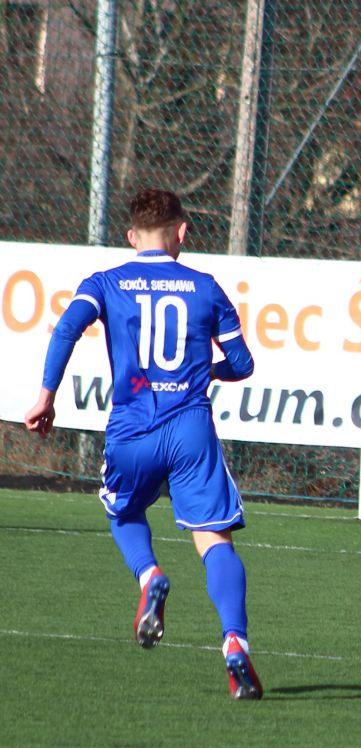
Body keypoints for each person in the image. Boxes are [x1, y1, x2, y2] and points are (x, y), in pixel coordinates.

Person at [25, 188, 263, 700]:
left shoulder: (105, 282)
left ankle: (150, 574)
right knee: (214, 540)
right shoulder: (206, 287)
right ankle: (234, 642)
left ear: (132, 236)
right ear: (182, 231)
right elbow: (243, 364)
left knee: (123, 511)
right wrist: (206, 371)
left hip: (133, 427)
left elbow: (66, 330)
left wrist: (46, 397)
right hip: (191, 429)